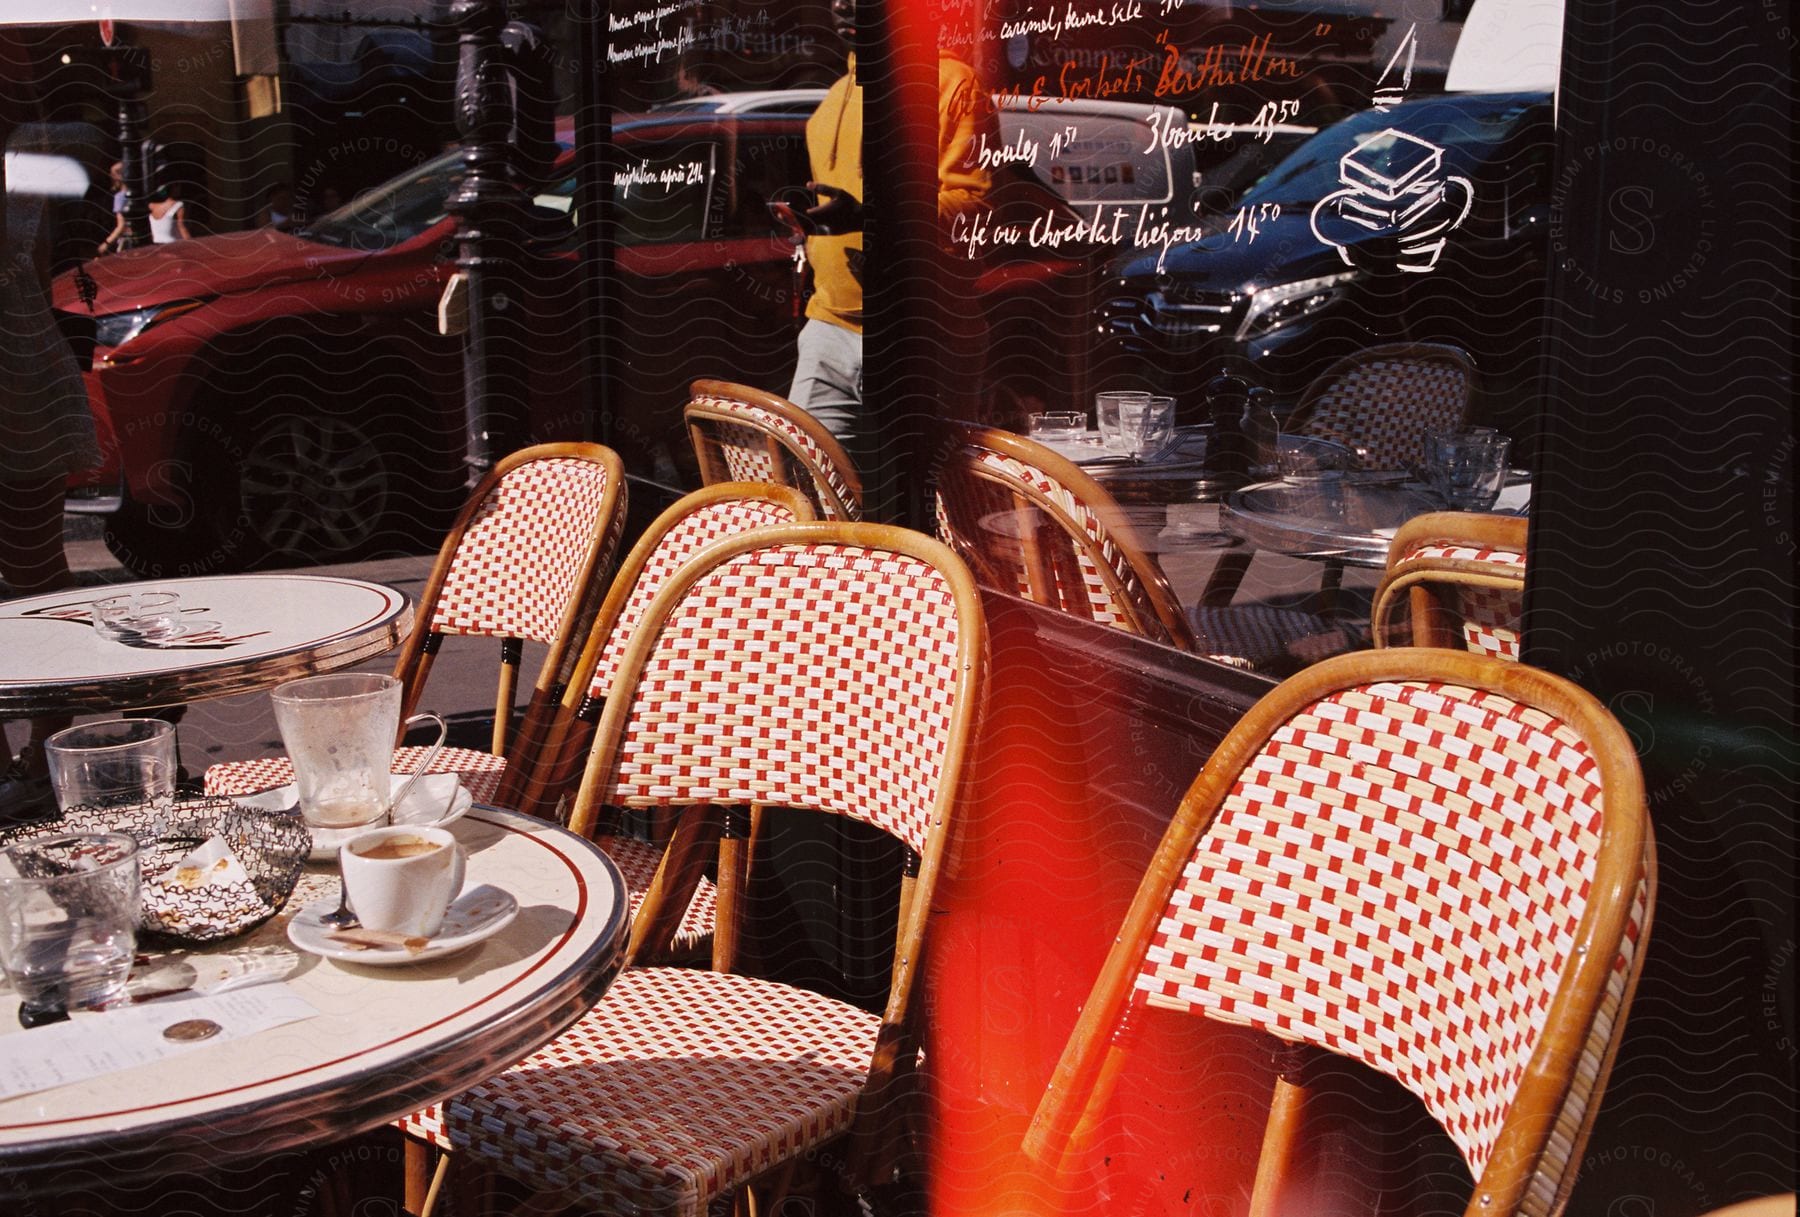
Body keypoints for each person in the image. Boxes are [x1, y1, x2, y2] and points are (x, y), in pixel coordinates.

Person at [784, 0, 993, 454]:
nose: (842, 5)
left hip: (923, 332)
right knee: (812, 486)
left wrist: (870, 217)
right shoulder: (832, 100)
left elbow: (974, 207)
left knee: (936, 502)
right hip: (830, 327)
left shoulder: (952, 83)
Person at [1, 36, 103, 822]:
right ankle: (39, 753)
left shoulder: (29, 152)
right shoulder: (34, 150)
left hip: (19, 374)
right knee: (38, 572)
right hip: (23, 364)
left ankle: (41, 751)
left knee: (37, 574)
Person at [97, 161, 127, 254]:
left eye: (113, 175)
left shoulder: (120, 197)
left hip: (126, 242)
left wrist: (106, 243)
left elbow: (121, 225)